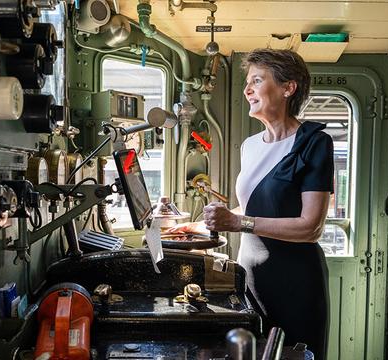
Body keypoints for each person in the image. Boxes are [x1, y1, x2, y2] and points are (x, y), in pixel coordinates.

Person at [167, 48, 333, 360]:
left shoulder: (314, 143)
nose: (247, 90)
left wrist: (237, 223)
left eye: (257, 80)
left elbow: (311, 227)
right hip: (251, 278)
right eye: (247, 82)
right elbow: (257, 211)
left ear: (288, 87)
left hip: (296, 284)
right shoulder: (250, 146)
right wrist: (196, 226)